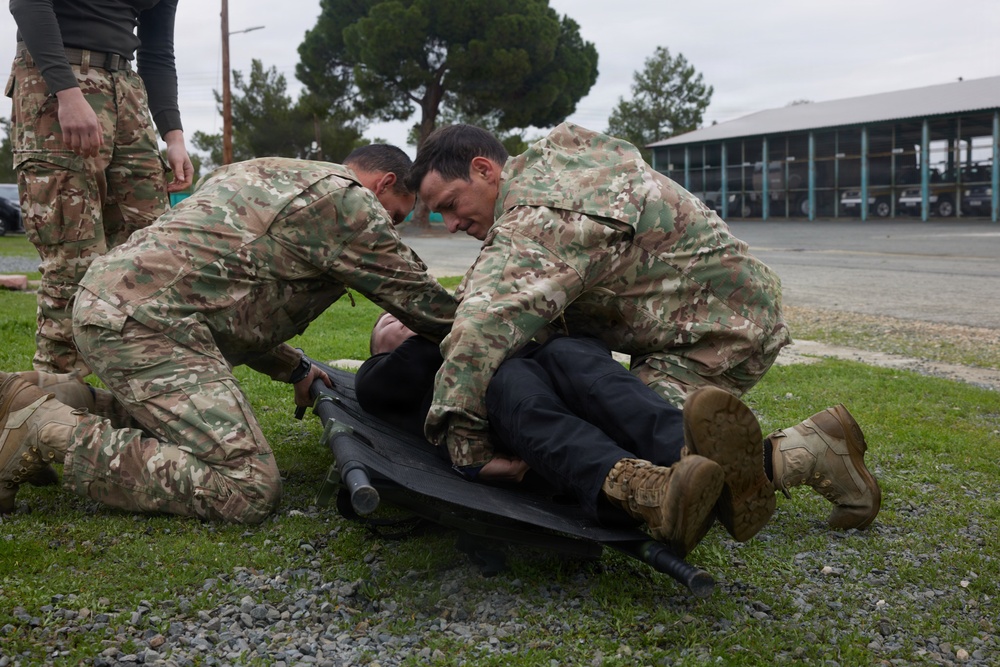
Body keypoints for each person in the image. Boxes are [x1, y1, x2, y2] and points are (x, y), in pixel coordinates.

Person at [404, 122, 881, 531]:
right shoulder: (555, 179)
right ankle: (809, 446)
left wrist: (466, 447)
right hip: (711, 319)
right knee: (642, 448)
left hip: (718, 336)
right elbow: (493, 290)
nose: (448, 224)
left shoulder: (545, 215)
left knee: (643, 454)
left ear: (485, 171)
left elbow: (482, 326)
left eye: (449, 203)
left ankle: (803, 455)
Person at [0, 146, 456, 524]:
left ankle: (37, 395)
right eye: (394, 217)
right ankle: (46, 430)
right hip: (150, 325)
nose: (388, 229)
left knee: (180, 432)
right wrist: (506, 338)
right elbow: (420, 302)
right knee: (247, 487)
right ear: (384, 184)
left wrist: (294, 366)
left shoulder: (260, 170)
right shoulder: (348, 204)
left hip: (118, 304)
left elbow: (230, 301)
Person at [357, 313, 774, 557]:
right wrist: (438, 322)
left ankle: (694, 456)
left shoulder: (489, 330)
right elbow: (399, 369)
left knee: (578, 360)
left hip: (549, 379)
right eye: (390, 321)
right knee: (510, 377)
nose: (401, 318)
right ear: (378, 348)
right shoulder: (380, 373)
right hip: (514, 428)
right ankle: (639, 489)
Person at [7, 0, 194, 376]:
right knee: (72, 261)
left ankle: (143, 395)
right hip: (57, 81)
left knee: (149, 260)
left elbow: (158, 51)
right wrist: (68, 93)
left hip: (128, 91)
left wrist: (173, 135)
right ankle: (56, 406)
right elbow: (28, 4)